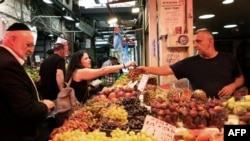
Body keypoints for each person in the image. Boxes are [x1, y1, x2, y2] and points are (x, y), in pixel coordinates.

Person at [138, 28, 244, 99]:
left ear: (210, 41)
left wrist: (232, 86)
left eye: (198, 41)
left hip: (227, 106)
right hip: (201, 109)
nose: (194, 45)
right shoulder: (190, 63)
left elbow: (240, 78)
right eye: (193, 42)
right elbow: (167, 69)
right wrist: (147, 69)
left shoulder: (229, 58)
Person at [0, 22, 55, 141]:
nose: (31, 50)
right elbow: (25, 109)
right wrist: (45, 106)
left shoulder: (6, 59)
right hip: (15, 134)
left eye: (33, 46)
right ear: (13, 39)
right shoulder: (8, 64)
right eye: (28, 45)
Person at [65, 50, 136, 103]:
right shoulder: (79, 72)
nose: (89, 60)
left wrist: (90, 88)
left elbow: (77, 90)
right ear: (79, 62)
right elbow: (103, 70)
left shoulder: (76, 72)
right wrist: (125, 65)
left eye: (89, 58)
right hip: (73, 111)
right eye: (86, 59)